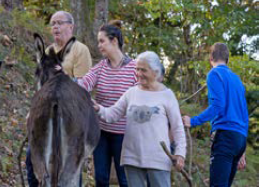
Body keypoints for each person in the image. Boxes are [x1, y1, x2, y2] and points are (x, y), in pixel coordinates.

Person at [93, 51, 186, 187]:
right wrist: (99, 109)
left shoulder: (167, 95)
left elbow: (177, 127)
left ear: (155, 72)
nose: (138, 73)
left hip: (158, 158)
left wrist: (180, 153)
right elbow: (113, 114)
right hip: (132, 157)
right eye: (137, 69)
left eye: (143, 70)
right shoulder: (132, 92)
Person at [26, 10, 92, 187]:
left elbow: (83, 86)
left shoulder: (80, 50)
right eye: (53, 23)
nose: (55, 27)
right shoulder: (48, 51)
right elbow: (41, 85)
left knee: (70, 167)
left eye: (59, 23)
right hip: (46, 114)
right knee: (31, 159)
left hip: (71, 116)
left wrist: (62, 76)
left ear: (71, 26)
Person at [77, 20, 136, 187]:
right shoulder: (101, 67)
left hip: (125, 135)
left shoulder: (134, 68)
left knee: (125, 180)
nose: (99, 45)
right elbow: (85, 82)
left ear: (114, 41)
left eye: (102, 41)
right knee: (101, 178)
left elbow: (142, 98)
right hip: (101, 132)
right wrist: (68, 81)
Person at [182, 43, 249, 187]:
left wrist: (192, 121)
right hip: (239, 139)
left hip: (225, 137)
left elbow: (218, 105)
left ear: (211, 57)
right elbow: (244, 113)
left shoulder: (214, 73)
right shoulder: (237, 79)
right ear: (227, 59)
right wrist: (242, 148)